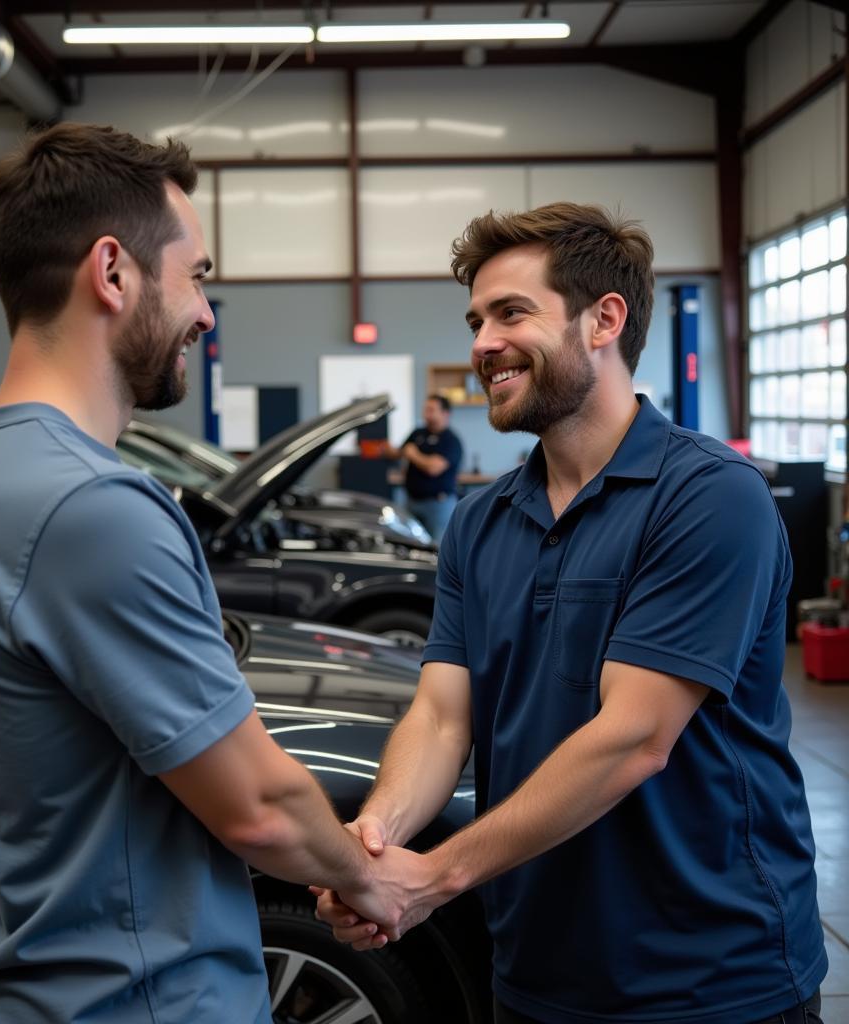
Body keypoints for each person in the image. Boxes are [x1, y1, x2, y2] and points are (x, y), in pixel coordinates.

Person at [0, 123, 399, 1024]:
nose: (207, 313)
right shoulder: (91, 505)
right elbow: (258, 807)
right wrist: (369, 880)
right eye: (198, 275)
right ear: (113, 271)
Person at [314, 202, 828, 1023]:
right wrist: (375, 842)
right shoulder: (482, 523)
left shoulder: (706, 498)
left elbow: (634, 739)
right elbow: (444, 718)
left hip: (709, 979)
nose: (481, 343)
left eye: (512, 313)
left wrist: (435, 876)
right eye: (477, 319)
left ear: (604, 321)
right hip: (535, 972)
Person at [384, 393, 463, 543]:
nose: (426, 414)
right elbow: (398, 453)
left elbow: (434, 468)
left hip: (438, 506)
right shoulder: (418, 433)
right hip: (412, 502)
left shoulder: (451, 440)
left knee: (437, 550)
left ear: (445, 413)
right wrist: (384, 447)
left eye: (431, 410)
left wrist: (413, 454)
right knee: (410, 545)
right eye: (426, 409)